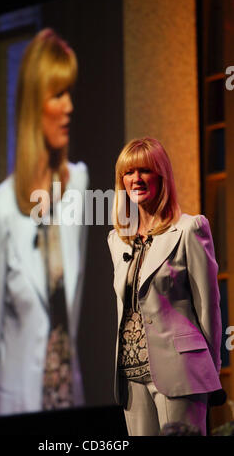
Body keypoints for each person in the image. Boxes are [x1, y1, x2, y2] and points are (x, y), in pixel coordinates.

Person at [0, 28, 89, 416]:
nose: (69, 106)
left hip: (69, 392)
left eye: (70, 93)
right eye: (58, 94)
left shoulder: (79, 185)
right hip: (18, 401)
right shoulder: (0, 207)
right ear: (33, 104)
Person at [107, 137, 222, 436]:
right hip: (130, 375)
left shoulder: (189, 229)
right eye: (128, 173)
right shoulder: (117, 239)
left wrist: (209, 373)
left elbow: (208, 306)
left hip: (180, 371)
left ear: (162, 176)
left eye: (144, 170)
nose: (136, 179)